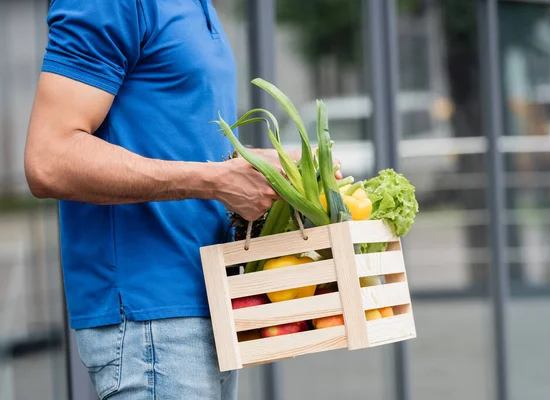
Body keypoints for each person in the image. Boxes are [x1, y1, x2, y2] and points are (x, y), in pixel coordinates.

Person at [24, 1, 338, 399]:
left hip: (208, 308)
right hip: (151, 325)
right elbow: (49, 160)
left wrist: (258, 171)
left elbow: (177, 142)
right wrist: (215, 180)